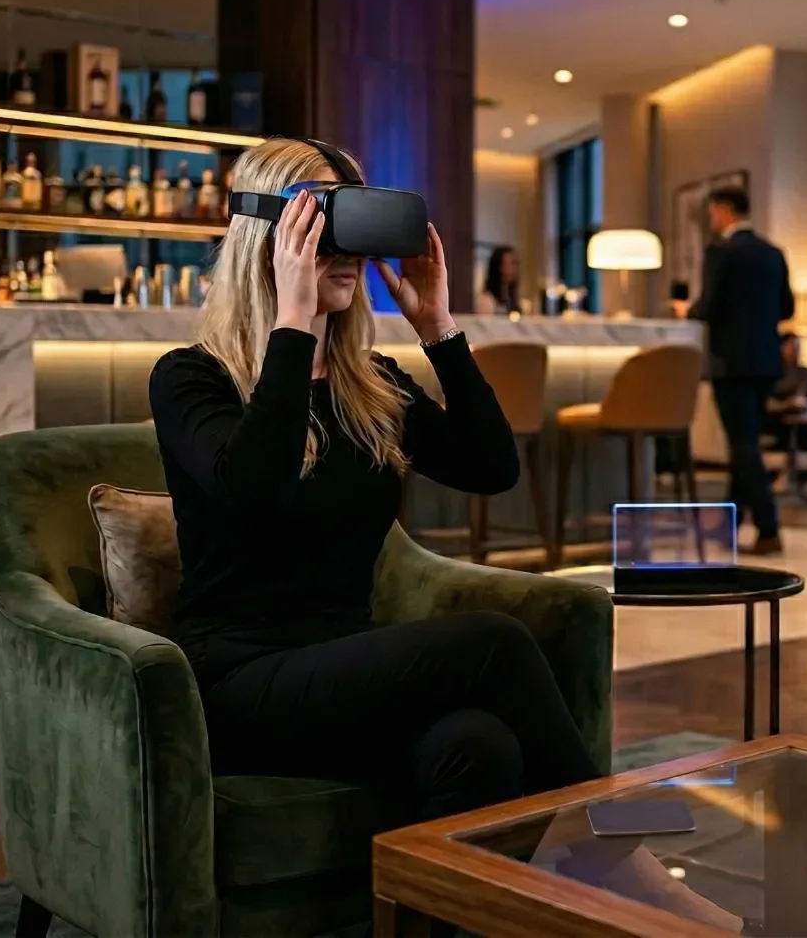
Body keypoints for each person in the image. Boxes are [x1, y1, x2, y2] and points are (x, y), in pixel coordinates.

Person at [149, 138, 599, 825]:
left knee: (480, 746)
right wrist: (293, 323)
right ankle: (618, 859)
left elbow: (492, 468)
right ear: (272, 238)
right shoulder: (191, 379)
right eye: (328, 224)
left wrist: (438, 327)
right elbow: (255, 492)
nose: (350, 250)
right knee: (494, 641)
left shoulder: (372, 384)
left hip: (347, 671)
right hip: (238, 683)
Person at [688, 187, 794, 555]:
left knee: (742, 444)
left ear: (722, 210)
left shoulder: (720, 252)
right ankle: (729, 527)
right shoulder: (773, 253)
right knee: (744, 442)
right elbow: (786, 308)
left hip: (730, 362)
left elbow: (708, 307)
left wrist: (687, 309)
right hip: (765, 362)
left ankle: (768, 527)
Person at [476, 244, 520, 315]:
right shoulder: (487, 300)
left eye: (515, 264)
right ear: (499, 267)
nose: (514, 268)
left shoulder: (510, 297)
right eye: (511, 263)